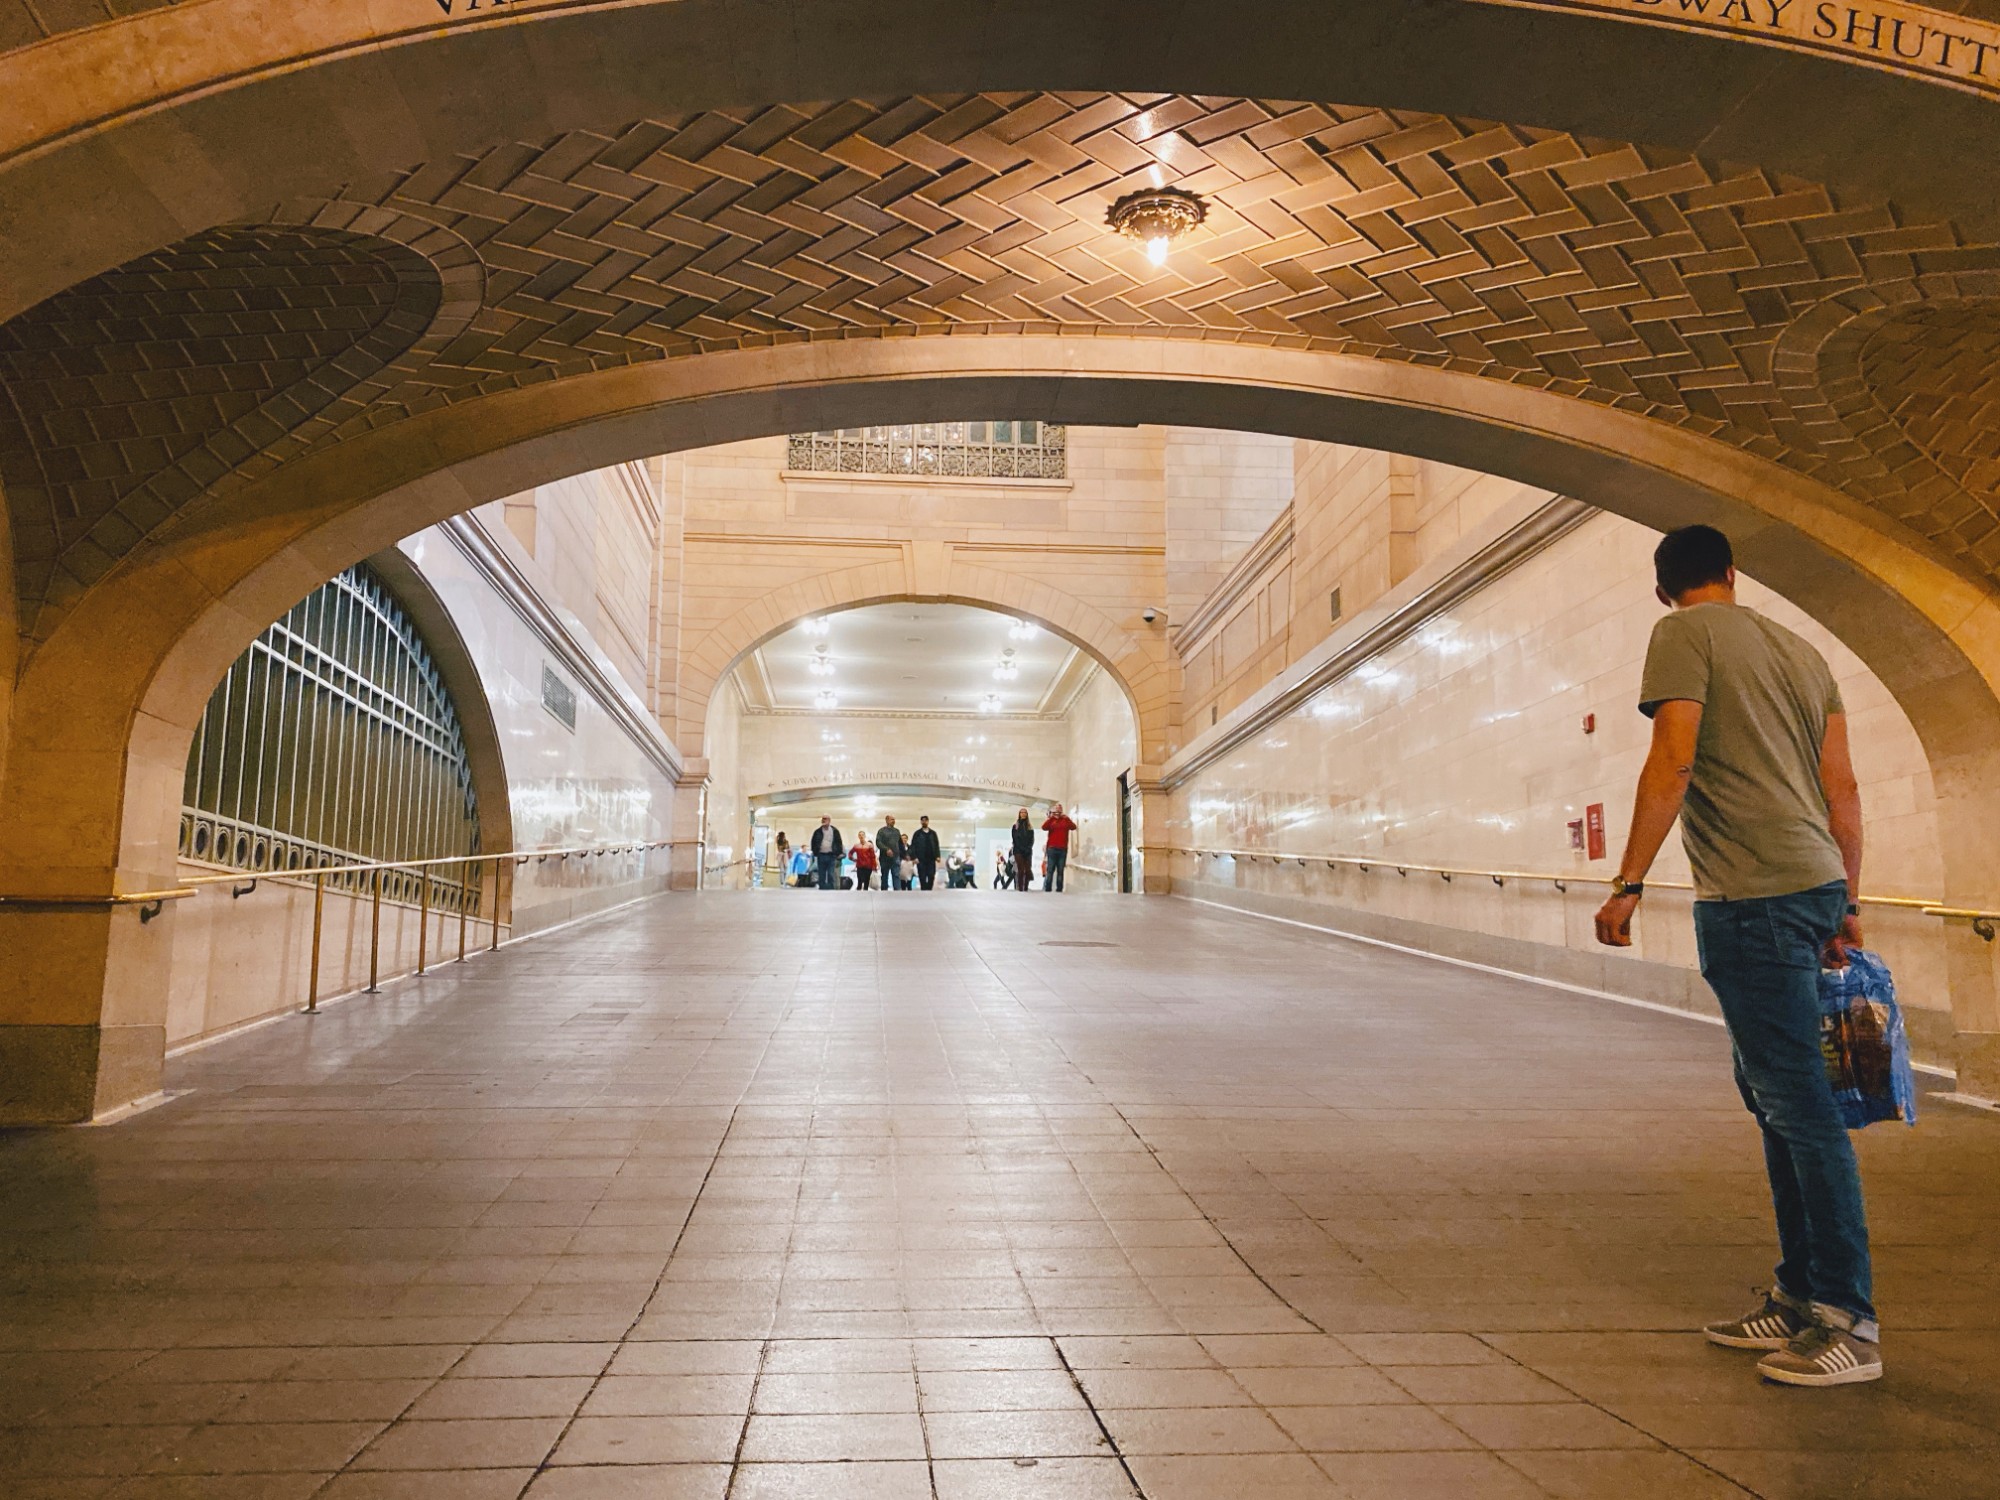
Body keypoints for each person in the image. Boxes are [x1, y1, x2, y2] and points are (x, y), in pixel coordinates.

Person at [1595, 525, 1877, 1388]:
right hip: (1813, 883)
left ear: (1662, 589)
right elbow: (1844, 788)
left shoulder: (1681, 634)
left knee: (1796, 1106)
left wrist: (1629, 880)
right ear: (1730, 573)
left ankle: (1848, 1322)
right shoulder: (1801, 650)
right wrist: (1848, 900)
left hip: (1751, 896)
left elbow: (1673, 758)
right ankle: (1800, 1298)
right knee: (1775, 1097)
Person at [1041, 803, 1078, 892]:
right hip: (1052, 848)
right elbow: (1044, 827)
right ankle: (1048, 888)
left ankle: (1059, 889)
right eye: (1056, 809)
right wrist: (1051, 818)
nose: (1058, 811)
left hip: (1062, 848)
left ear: (1061, 810)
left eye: (1059, 809)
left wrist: (1067, 818)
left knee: (1060, 870)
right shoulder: (1051, 820)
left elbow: (1073, 827)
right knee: (1050, 869)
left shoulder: (1065, 820)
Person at [809, 815, 843, 891]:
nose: (823, 820)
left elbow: (838, 842)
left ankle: (831, 889)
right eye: (822, 819)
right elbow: (813, 842)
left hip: (831, 855)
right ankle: (822, 888)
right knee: (821, 873)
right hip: (821, 855)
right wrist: (815, 852)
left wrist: (838, 853)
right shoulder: (817, 831)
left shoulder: (835, 831)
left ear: (829, 820)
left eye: (825, 819)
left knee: (831, 873)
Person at [876, 815, 907, 892]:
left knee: (896, 875)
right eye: (892, 819)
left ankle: (897, 892)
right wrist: (886, 849)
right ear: (887, 820)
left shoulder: (897, 831)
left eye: (894, 819)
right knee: (884, 876)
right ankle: (884, 891)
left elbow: (900, 844)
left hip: (895, 857)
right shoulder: (881, 831)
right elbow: (878, 842)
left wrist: (905, 855)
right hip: (884, 858)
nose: (893, 821)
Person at [910, 815, 941, 890]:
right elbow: (913, 846)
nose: (924, 822)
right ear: (921, 822)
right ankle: (923, 890)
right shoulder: (917, 834)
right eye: (922, 820)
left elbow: (937, 845)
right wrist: (914, 857)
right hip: (920, 859)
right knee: (922, 876)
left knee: (931, 875)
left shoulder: (933, 833)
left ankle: (929, 889)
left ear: (928, 821)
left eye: (925, 820)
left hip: (931, 859)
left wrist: (938, 856)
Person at [1010, 808, 1036, 893]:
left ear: (1027, 814)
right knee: (1020, 869)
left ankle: (1026, 887)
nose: (1023, 814)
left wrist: (1028, 848)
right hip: (1018, 850)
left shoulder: (1030, 827)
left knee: (1027, 869)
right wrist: (1020, 848)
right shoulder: (1015, 826)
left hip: (1028, 850)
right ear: (1019, 814)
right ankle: (1020, 887)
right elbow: (1014, 839)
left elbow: (1032, 839)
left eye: (1025, 812)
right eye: (1022, 812)